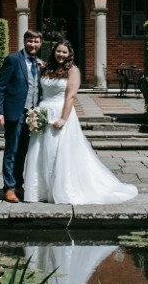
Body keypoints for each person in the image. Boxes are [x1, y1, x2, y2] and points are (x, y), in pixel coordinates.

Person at [24, 40, 138, 204]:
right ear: (53, 51)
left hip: (60, 111)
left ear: (70, 54)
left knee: (58, 151)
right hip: (43, 112)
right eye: (58, 51)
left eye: (64, 52)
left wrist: (63, 118)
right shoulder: (46, 68)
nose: (61, 55)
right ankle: (40, 190)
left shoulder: (73, 70)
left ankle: (61, 189)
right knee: (40, 150)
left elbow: (70, 96)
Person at [0, 29, 43, 203]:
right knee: (11, 151)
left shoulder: (39, 63)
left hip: (32, 115)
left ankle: (18, 184)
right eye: (30, 41)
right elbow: (1, 87)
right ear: (24, 41)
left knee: (23, 151)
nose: (33, 44)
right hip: (14, 112)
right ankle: (9, 188)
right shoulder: (13, 59)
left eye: (36, 42)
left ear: (40, 44)